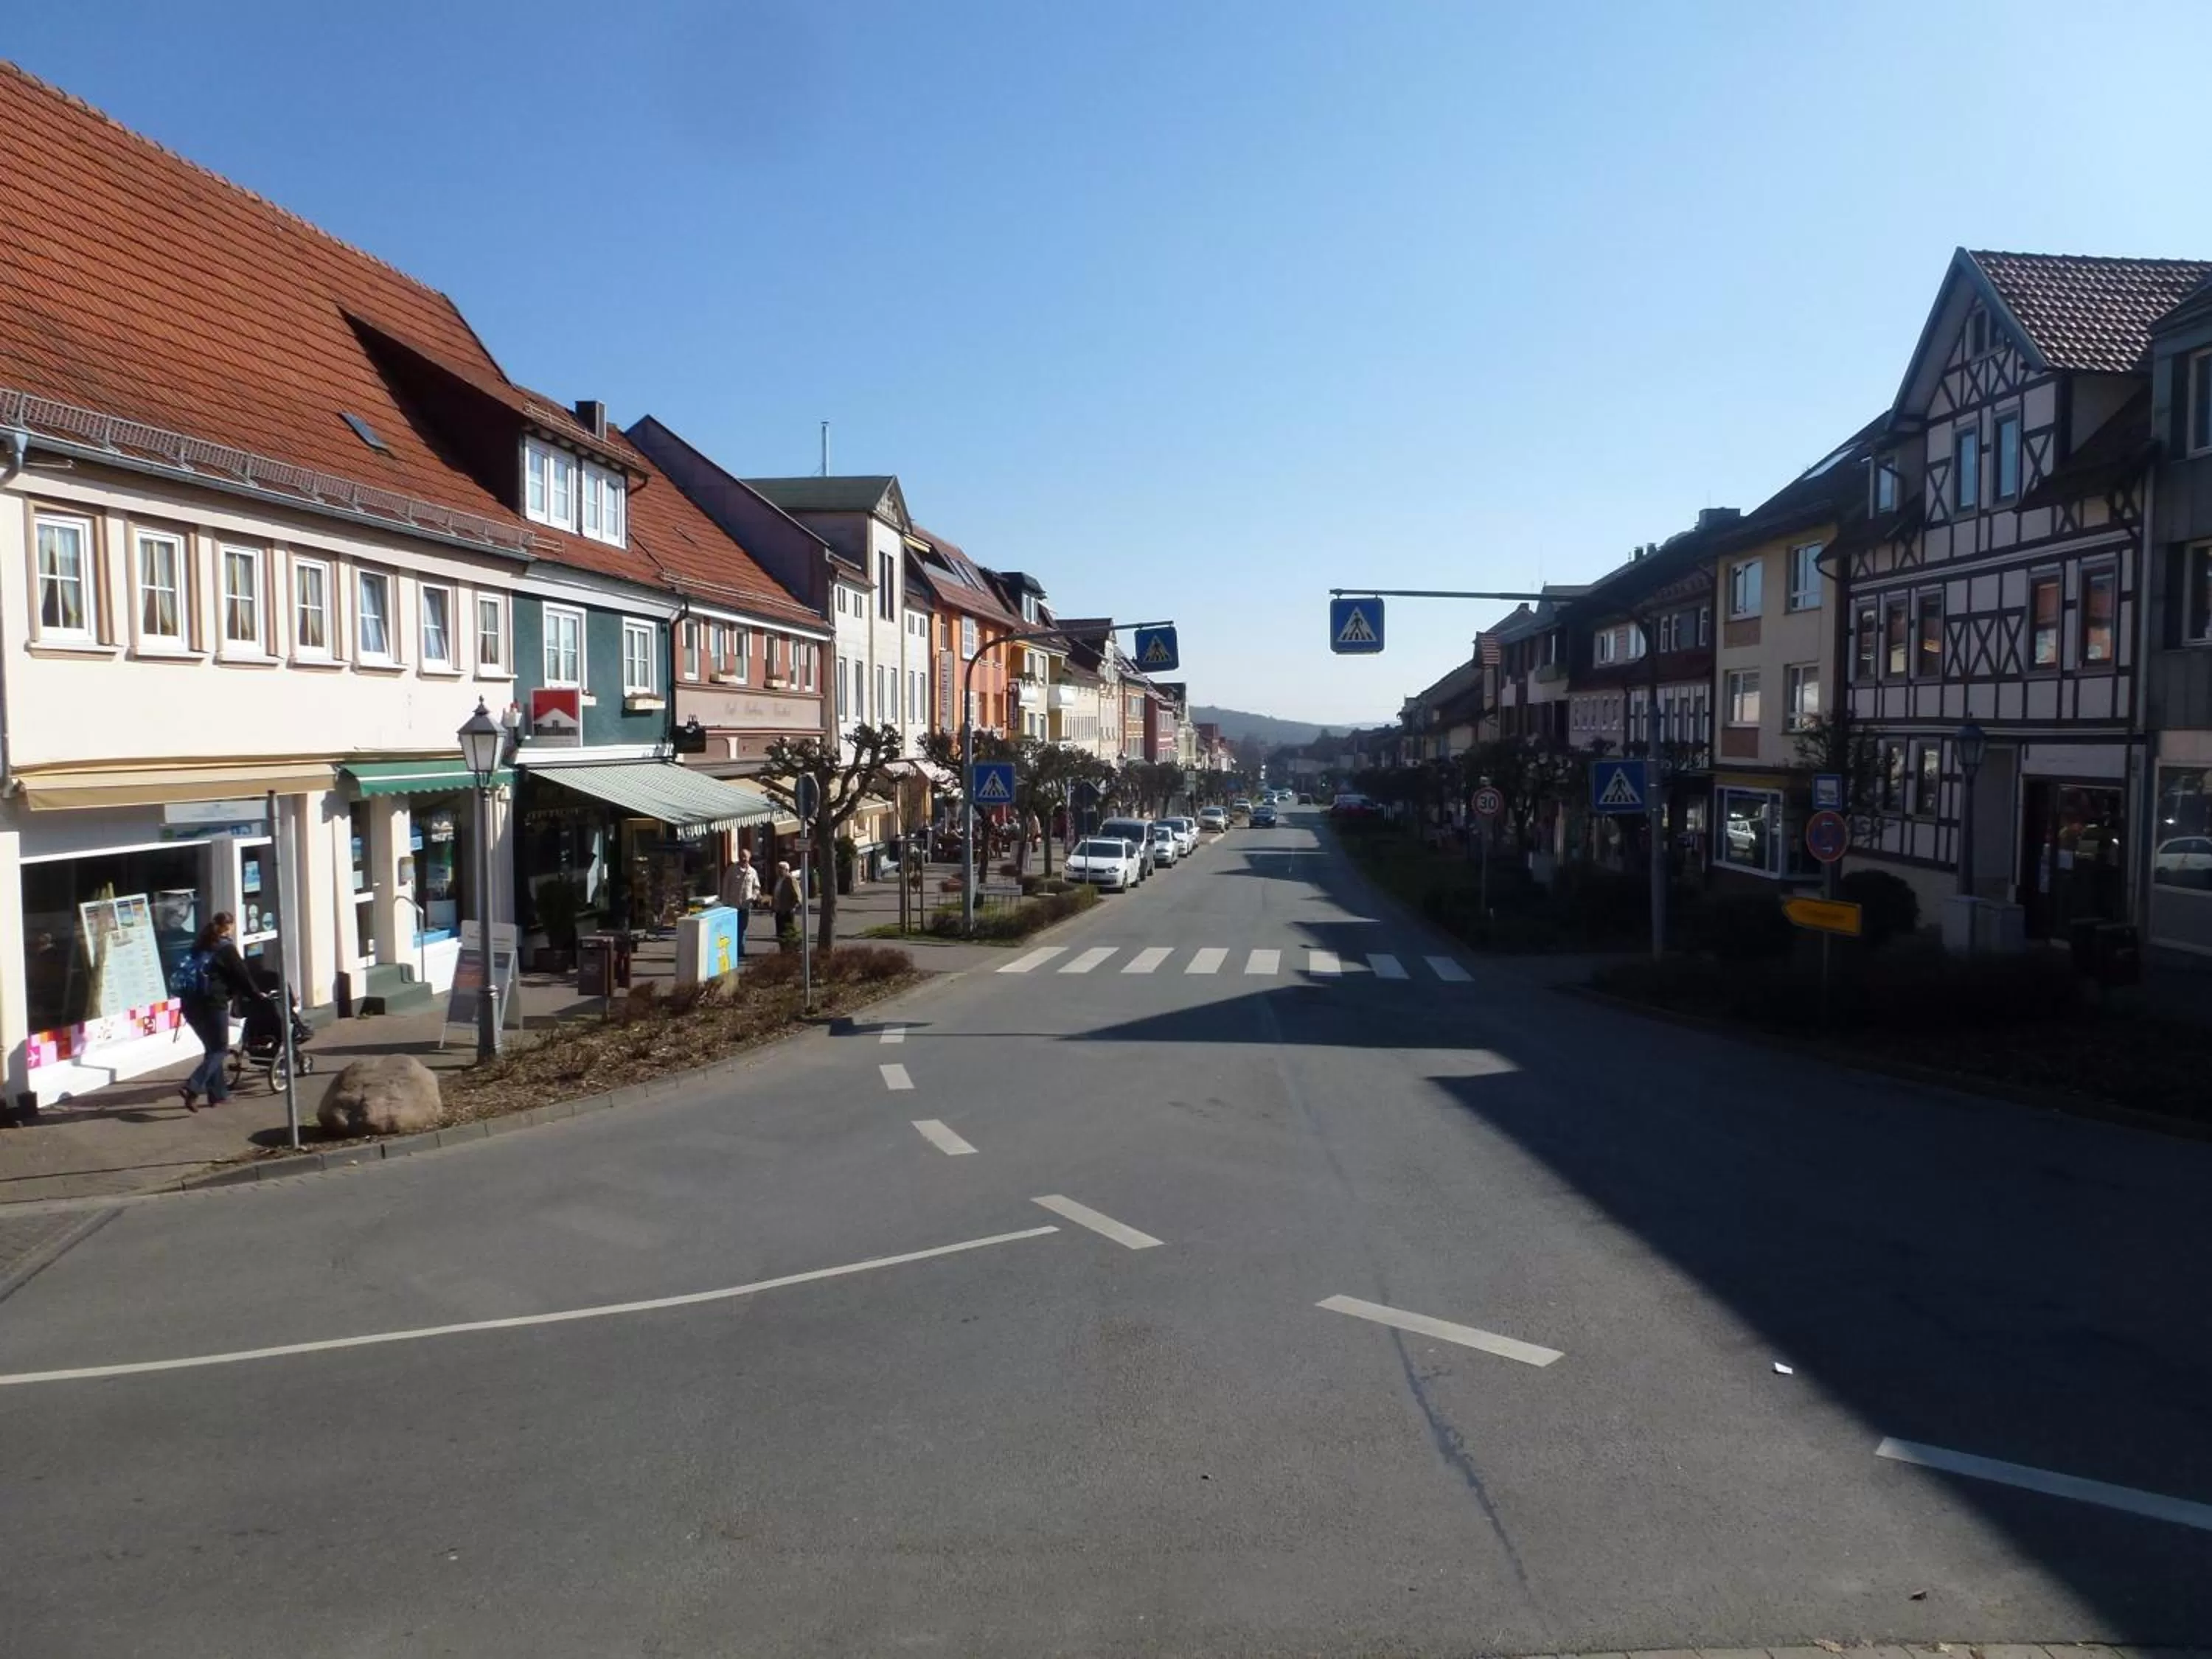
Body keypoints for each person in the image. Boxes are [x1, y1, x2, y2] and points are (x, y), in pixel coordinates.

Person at [173, 911, 262, 1112]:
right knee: (220, 1050)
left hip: (189, 1005)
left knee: (212, 1050)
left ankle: (218, 1095)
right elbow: (243, 977)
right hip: (213, 1005)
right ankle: (192, 1086)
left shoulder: (199, 945)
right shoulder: (226, 949)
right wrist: (258, 996)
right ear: (229, 927)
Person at [719, 850, 762, 954]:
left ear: (749, 858)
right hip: (733, 905)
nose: (743, 859)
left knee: (743, 928)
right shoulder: (732, 870)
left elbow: (756, 887)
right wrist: (725, 902)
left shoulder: (752, 872)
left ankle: (740, 951)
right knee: (733, 928)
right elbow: (726, 886)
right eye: (741, 856)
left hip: (745, 905)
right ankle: (735, 951)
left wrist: (754, 896)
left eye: (745, 857)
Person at [771, 860, 802, 950]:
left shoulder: (790, 879)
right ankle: (783, 950)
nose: (778, 870)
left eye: (781, 869)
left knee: (788, 932)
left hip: (787, 910)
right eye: (778, 868)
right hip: (778, 910)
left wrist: (792, 906)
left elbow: (798, 895)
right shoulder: (778, 879)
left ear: (787, 870)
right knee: (780, 933)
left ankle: (791, 950)